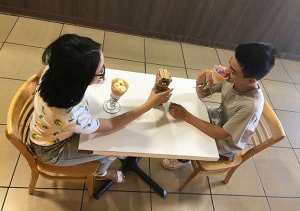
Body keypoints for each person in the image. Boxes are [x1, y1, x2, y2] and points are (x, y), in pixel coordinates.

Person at [29, 34, 172, 182]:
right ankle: (101, 174)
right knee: (111, 148)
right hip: (52, 150)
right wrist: (149, 104)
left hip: (47, 130)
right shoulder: (71, 116)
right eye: (99, 70)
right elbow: (111, 124)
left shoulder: (53, 70)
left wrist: (94, 77)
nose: (103, 73)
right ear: (81, 80)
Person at [161, 42, 275, 169]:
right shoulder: (233, 80)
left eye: (232, 71)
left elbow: (222, 134)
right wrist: (201, 82)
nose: (226, 70)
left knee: (186, 130)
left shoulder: (250, 107)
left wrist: (187, 116)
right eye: (229, 63)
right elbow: (202, 94)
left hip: (223, 142)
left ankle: (183, 158)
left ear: (251, 80)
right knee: (177, 116)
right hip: (217, 117)